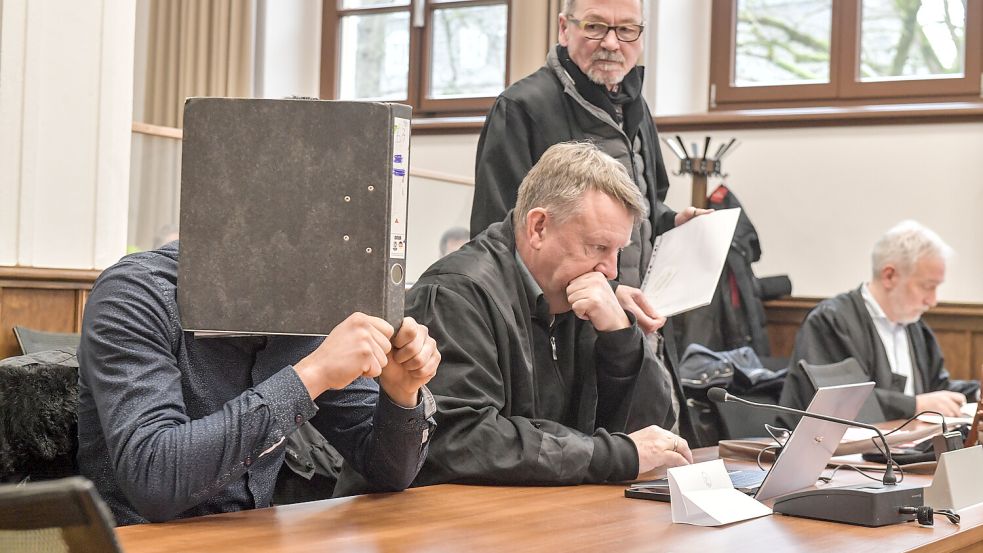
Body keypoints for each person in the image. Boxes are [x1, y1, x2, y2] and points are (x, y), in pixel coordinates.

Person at [77, 241, 440, 525]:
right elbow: (154, 477)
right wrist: (311, 376)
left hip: (254, 537)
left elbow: (390, 472)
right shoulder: (136, 294)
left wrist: (401, 393)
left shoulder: (306, 305)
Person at [408, 142, 692, 487]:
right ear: (538, 227)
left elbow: (651, 433)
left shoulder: (582, 294)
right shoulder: (456, 294)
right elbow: (461, 439)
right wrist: (609, 456)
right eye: (599, 247)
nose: (612, 270)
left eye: (619, 250)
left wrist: (621, 337)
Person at [470, 0, 709, 335]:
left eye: (626, 29)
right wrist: (607, 294)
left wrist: (672, 222)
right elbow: (496, 236)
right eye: (595, 26)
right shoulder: (521, 108)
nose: (611, 43)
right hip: (558, 332)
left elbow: (641, 208)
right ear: (565, 29)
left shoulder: (635, 106)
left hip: (633, 322)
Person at [779, 220, 978, 421]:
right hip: (845, 451)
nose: (933, 300)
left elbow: (937, 390)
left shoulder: (916, 328)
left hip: (909, 448)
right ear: (889, 276)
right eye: (928, 286)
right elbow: (838, 403)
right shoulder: (831, 321)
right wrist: (915, 405)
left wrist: (977, 394)